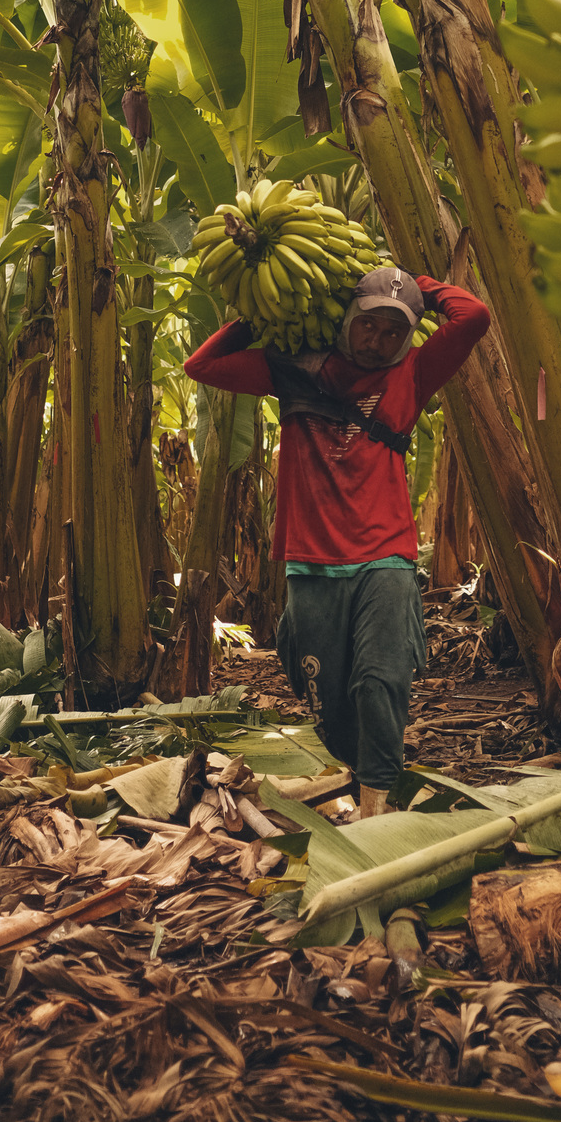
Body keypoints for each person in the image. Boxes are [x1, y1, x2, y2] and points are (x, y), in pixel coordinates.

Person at [184, 263, 490, 817]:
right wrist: (261, 319)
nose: (378, 343)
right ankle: (363, 774)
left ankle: (377, 801)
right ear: (347, 318)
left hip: (386, 557)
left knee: (381, 679)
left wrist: (417, 285)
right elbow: (200, 365)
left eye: (394, 332)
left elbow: (474, 316)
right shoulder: (294, 370)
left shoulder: (412, 376)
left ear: (409, 339)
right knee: (327, 702)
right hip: (311, 562)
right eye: (369, 326)